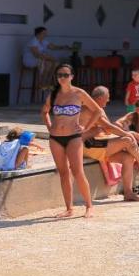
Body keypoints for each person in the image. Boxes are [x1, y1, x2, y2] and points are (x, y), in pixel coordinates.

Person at [41, 66, 107, 218]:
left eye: (65, 75)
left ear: (72, 76)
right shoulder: (54, 94)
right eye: (59, 75)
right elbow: (44, 111)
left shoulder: (79, 93)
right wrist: (49, 126)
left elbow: (97, 111)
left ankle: (89, 206)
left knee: (78, 172)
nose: (62, 77)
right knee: (64, 173)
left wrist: (86, 127)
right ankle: (69, 208)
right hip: (56, 138)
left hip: (74, 137)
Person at [81, 86, 139, 202]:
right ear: (100, 98)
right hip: (88, 145)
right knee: (127, 140)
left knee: (128, 157)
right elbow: (108, 127)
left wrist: (104, 131)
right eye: (107, 98)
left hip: (97, 145)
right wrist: (127, 134)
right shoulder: (90, 108)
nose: (108, 100)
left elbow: (107, 129)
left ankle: (128, 193)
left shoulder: (97, 108)